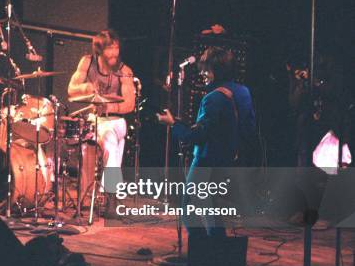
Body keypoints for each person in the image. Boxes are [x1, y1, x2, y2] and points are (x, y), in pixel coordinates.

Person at [157, 47, 256, 237]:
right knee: (212, 210)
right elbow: (249, 127)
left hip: (206, 161)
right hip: (229, 160)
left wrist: (172, 124)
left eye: (206, 69)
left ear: (217, 71)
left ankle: (204, 255)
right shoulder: (244, 92)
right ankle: (211, 254)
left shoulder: (213, 98)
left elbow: (198, 137)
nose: (202, 73)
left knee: (190, 209)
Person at [68, 29, 135, 196]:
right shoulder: (87, 62)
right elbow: (71, 90)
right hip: (95, 119)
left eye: (116, 47)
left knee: (110, 140)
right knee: (88, 146)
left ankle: (110, 195)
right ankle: (88, 195)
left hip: (116, 121)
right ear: (99, 50)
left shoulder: (124, 70)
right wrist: (88, 87)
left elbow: (130, 104)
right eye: (109, 48)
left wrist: (109, 107)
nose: (114, 52)